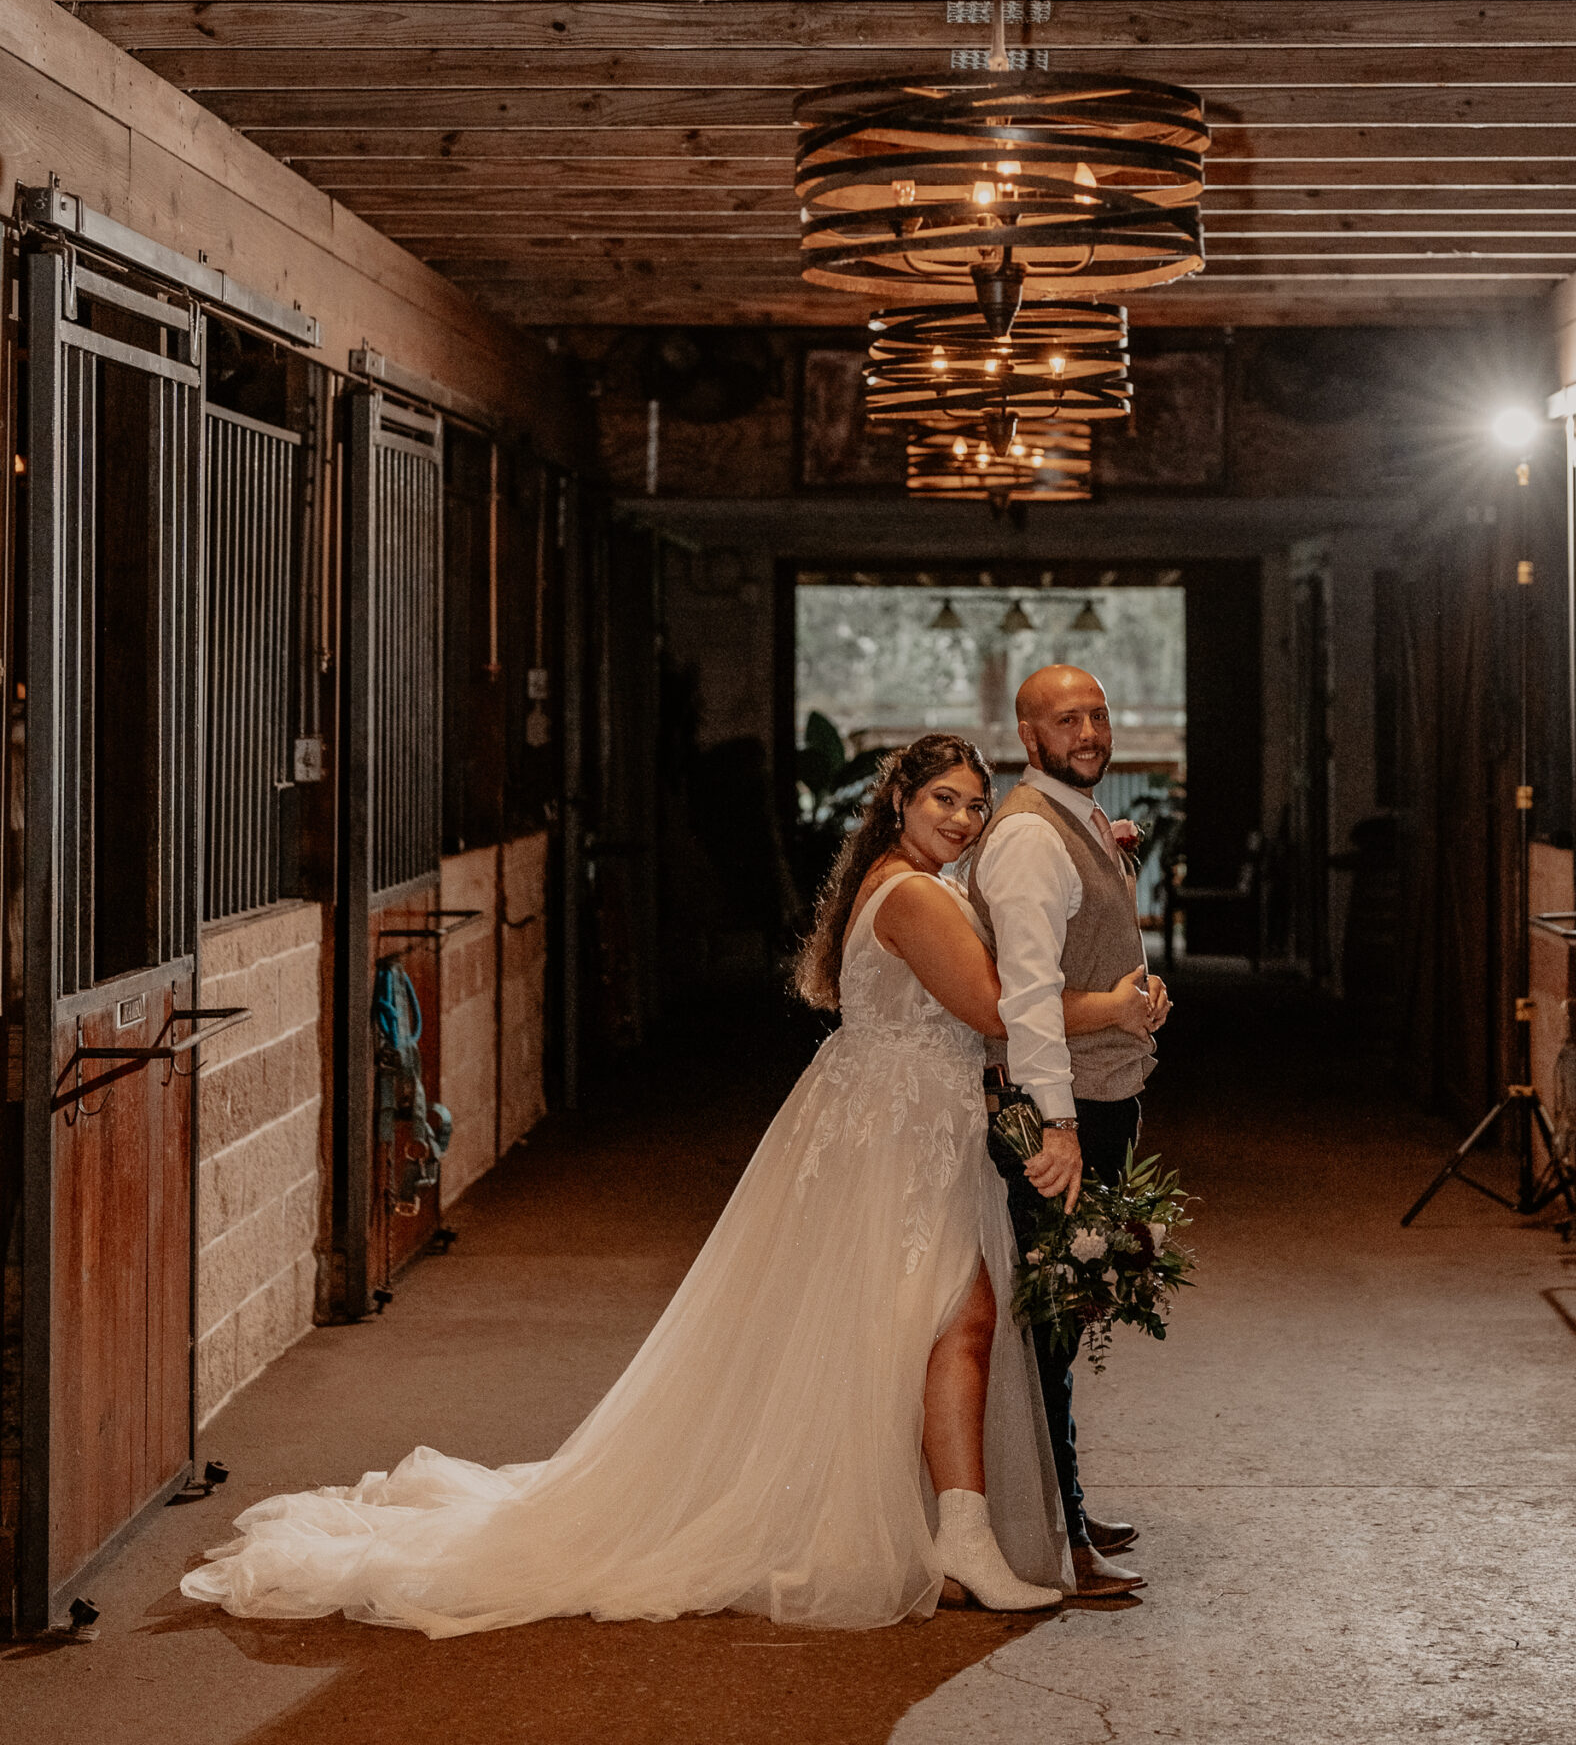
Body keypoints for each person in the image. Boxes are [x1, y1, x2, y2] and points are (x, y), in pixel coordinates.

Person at [181, 733, 1155, 1636]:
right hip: (902, 1132)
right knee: (958, 1315)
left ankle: (951, 1534)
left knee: (941, 1321)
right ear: (900, 797)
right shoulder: (914, 897)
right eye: (945, 796)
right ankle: (958, 1538)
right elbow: (990, 1002)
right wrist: (1111, 1005)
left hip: (902, 1122)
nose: (964, 816)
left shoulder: (906, 882)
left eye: (977, 805)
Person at [966, 665, 1173, 1602]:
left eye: (1097, 713)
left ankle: (1062, 1502)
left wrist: (1139, 996)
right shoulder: (1026, 840)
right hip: (1065, 1107)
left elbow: (1086, 955)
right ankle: (1059, 1539)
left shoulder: (1081, 822)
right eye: (1066, 719)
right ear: (1026, 732)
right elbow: (1024, 1002)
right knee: (1050, 1322)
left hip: (1103, 1091)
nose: (1088, 731)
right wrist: (1057, 1127)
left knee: (1070, 1308)